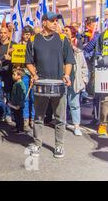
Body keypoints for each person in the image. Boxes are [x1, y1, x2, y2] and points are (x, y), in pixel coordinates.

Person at [26, 12, 76, 158]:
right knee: (39, 116)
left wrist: (66, 75)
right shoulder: (34, 39)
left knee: (60, 118)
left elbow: (69, 60)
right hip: (41, 83)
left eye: (56, 21)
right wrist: (34, 75)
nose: (56, 23)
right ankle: (37, 143)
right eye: (53, 21)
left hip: (59, 84)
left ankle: (59, 146)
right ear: (44, 22)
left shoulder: (62, 39)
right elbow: (29, 61)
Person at [64, 25, 88, 136]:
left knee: (74, 104)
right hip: (63, 78)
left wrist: (84, 80)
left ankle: (76, 126)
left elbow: (84, 66)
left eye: (66, 31)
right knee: (62, 103)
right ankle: (62, 123)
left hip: (75, 80)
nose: (65, 32)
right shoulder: (60, 50)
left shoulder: (78, 52)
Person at [0, 26, 16, 124]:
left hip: (9, 74)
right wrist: (4, 57)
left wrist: (11, 58)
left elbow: (18, 60)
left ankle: (8, 115)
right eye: (1, 33)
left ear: (8, 34)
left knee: (9, 95)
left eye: (4, 33)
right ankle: (0, 114)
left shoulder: (13, 45)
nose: (3, 35)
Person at [19, 26, 35, 130]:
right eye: (25, 34)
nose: (26, 36)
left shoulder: (36, 45)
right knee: (25, 97)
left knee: (34, 98)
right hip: (24, 73)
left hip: (34, 73)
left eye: (28, 34)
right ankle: (25, 119)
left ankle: (33, 119)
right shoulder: (19, 46)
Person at [95, 26, 108, 137]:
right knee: (105, 100)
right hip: (105, 71)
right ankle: (103, 125)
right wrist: (99, 59)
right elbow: (98, 51)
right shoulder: (103, 35)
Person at [9, 68, 27, 134]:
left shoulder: (20, 85)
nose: (12, 76)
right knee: (16, 116)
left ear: (19, 76)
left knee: (19, 117)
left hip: (18, 105)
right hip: (15, 104)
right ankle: (17, 127)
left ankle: (21, 129)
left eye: (14, 74)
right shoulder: (16, 83)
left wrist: (19, 104)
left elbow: (22, 96)